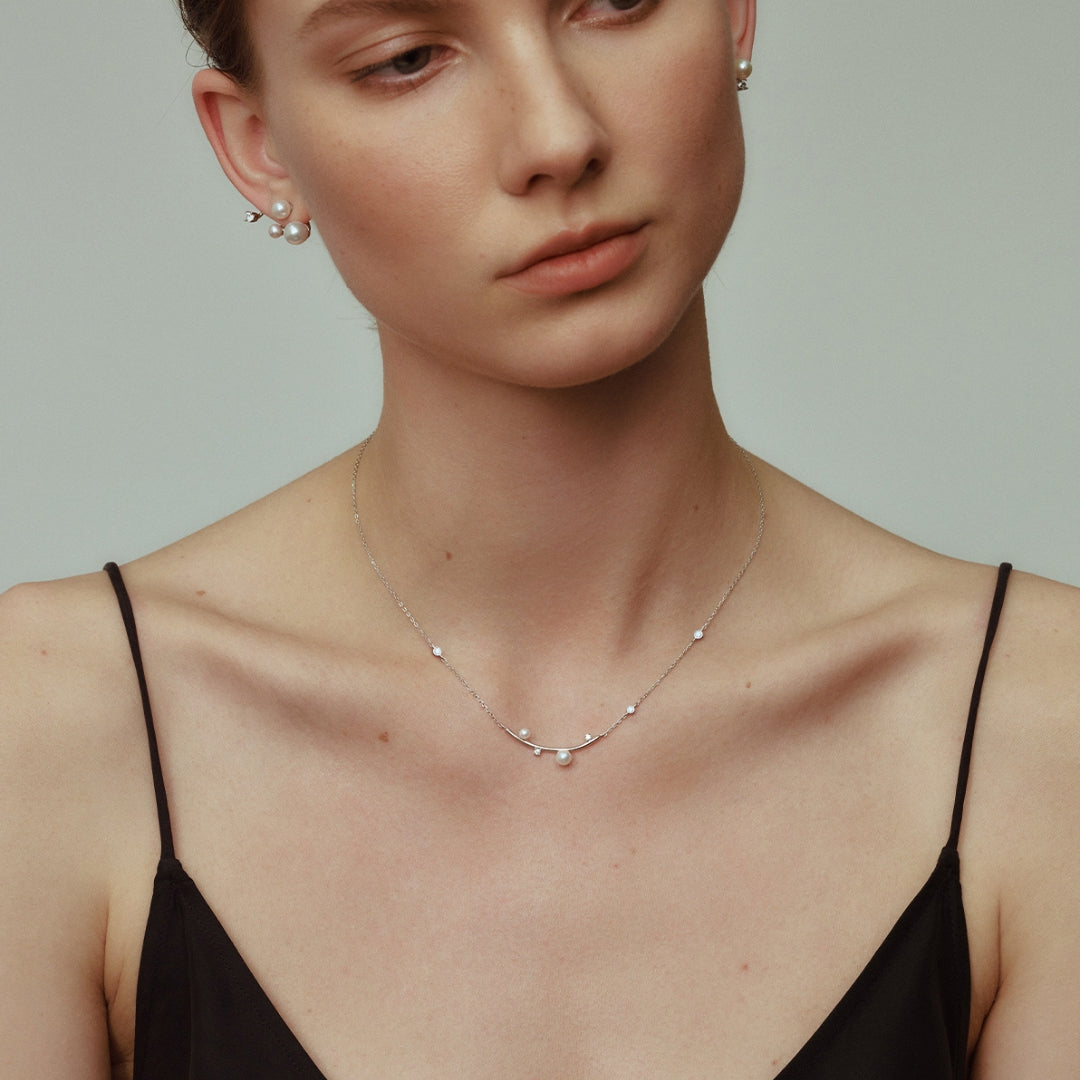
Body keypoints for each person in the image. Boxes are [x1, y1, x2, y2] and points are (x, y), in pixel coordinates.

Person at [1, 0, 1078, 1076]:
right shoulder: (54, 724)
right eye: (407, 58)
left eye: (612, 1)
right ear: (259, 143)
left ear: (734, 13)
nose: (559, 137)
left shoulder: (1043, 723)